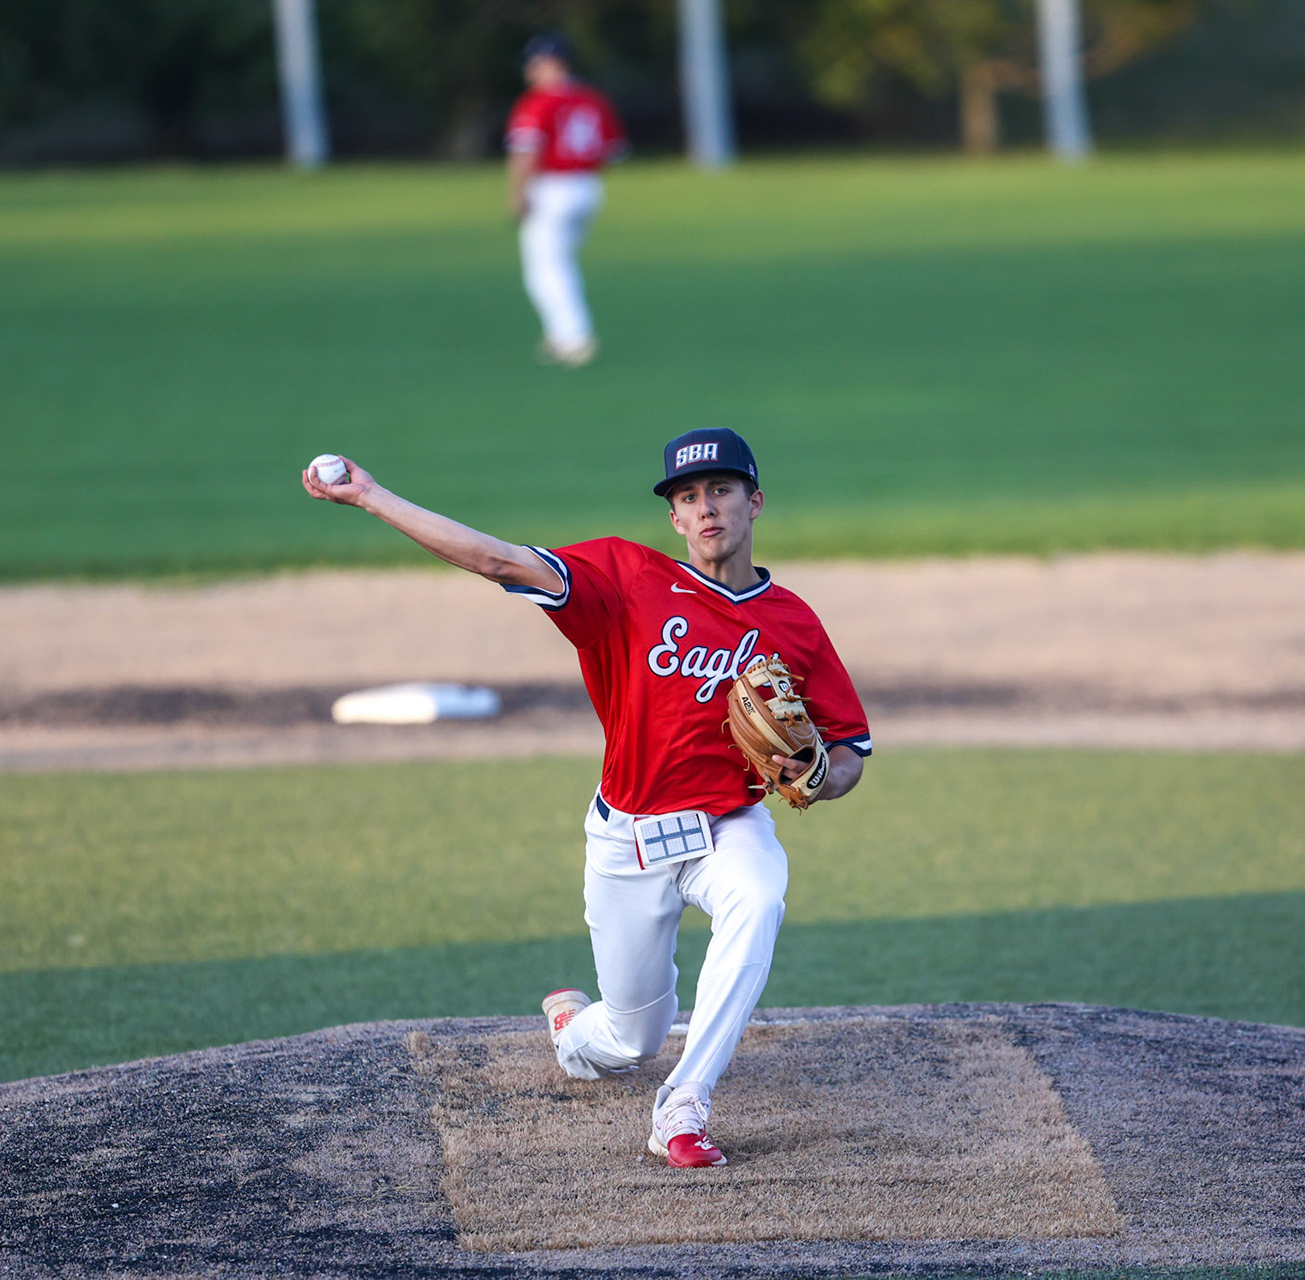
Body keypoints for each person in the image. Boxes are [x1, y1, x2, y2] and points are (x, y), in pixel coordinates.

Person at [301, 428, 871, 1168]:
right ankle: (574, 1030)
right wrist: (373, 497)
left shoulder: (793, 621)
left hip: (729, 826)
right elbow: (500, 560)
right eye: (688, 497)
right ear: (673, 517)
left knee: (760, 895)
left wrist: (822, 777)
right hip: (627, 839)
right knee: (631, 1036)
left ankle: (684, 1107)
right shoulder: (624, 578)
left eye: (721, 491)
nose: (706, 509)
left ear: (754, 501)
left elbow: (851, 747)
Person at [505, 32, 627, 368]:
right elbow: (613, 152)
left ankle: (571, 338)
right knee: (562, 264)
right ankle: (564, 335)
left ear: (546, 63)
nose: (529, 69)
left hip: (551, 188)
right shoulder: (592, 98)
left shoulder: (538, 101)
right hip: (588, 187)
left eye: (533, 62)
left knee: (544, 269)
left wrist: (516, 194)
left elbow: (525, 152)